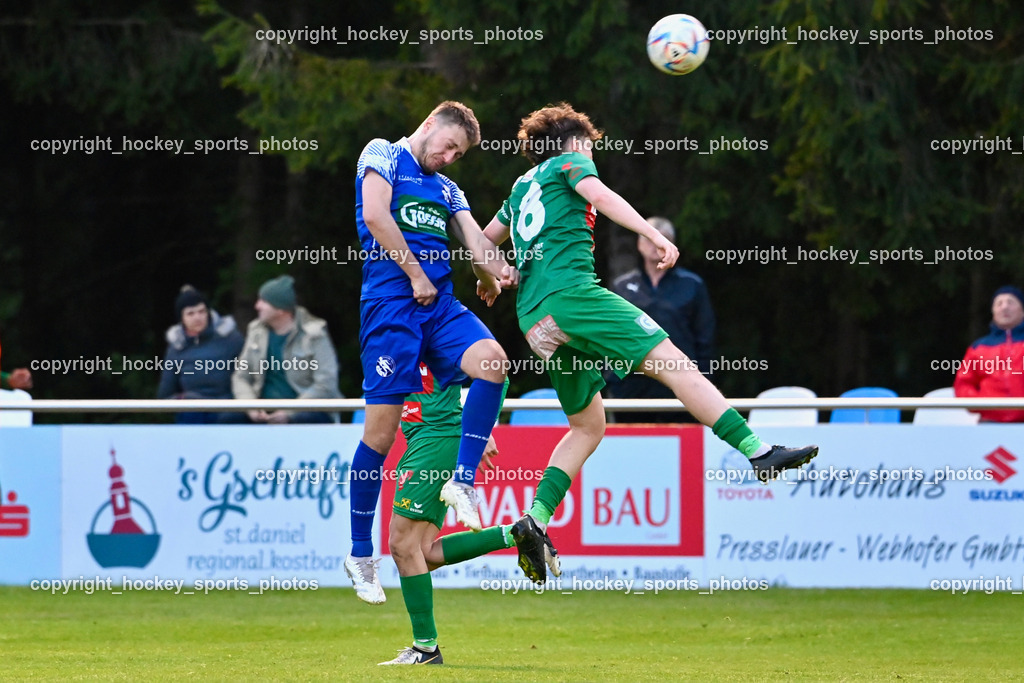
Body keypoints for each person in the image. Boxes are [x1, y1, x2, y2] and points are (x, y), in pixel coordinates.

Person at [481, 103, 818, 582]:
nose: (592, 153)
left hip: (536, 320)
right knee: (677, 365)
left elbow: (483, 238)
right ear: (575, 141)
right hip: (575, 297)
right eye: (590, 146)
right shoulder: (571, 160)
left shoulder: (519, 187)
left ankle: (534, 520)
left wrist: (492, 275)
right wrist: (650, 233)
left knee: (587, 426)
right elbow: (601, 193)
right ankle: (758, 451)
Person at [345, 101, 517, 603]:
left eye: (459, 154)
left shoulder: (447, 189)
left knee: (493, 361)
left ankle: (461, 482)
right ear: (428, 126)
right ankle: (360, 554)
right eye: (448, 146)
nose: (450, 157)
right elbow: (375, 215)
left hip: (438, 305)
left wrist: (499, 272)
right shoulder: (382, 153)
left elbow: (477, 243)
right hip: (391, 307)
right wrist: (416, 274)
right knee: (378, 437)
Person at [377, 364, 552, 665]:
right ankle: (518, 533)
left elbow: (495, 367)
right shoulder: (400, 328)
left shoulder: (432, 322)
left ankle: (425, 649)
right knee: (423, 553)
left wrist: (480, 431)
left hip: (435, 440)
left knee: (402, 545)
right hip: (425, 439)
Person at [608, 216, 715, 422]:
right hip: (632, 389)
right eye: (648, 238)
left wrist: (704, 382)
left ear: (670, 243)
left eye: (660, 238)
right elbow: (611, 336)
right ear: (639, 245)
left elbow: (705, 338)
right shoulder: (623, 286)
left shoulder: (692, 285)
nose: (653, 245)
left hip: (681, 387)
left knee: (683, 450)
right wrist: (613, 380)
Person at [227, 275, 343, 424]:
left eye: (263, 301)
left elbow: (326, 384)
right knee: (228, 417)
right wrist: (251, 407)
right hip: (262, 409)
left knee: (306, 419)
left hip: (304, 410)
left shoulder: (315, 334)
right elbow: (241, 377)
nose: (257, 306)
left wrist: (290, 412)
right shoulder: (255, 331)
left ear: (281, 309)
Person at [157, 285, 244, 423]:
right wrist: (181, 400)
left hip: (227, 408)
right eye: (190, 313)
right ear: (181, 318)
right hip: (192, 410)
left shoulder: (230, 339)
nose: (197, 317)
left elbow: (248, 376)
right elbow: (165, 394)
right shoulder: (176, 347)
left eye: (201, 311)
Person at [953, 285, 1024, 422]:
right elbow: (963, 384)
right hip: (990, 423)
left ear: (1022, 311)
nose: (1005, 307)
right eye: (999, 303)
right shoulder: (979, 348)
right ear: (993, 311)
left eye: (1011, 302)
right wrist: (981, 404)